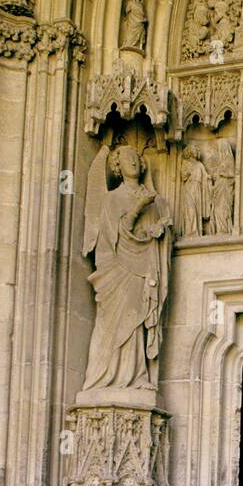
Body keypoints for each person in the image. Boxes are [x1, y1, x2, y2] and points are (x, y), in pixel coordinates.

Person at [81, 146, 171, 392]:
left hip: (144, 269)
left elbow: (161, 234)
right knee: (118, 320)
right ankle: (106, 377)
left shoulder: (157, 201)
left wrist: (160, 231)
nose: (132, 161)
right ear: (117, 167)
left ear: (142, 165)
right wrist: (139, 206)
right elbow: (115, 235)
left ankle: (137, 375)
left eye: (136, 157)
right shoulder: (113, 198)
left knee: (137, 320)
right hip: (119, 268)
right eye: (125, 158)